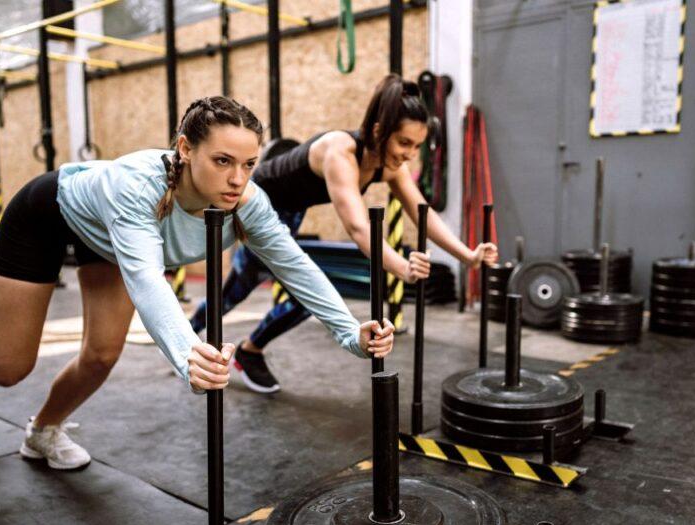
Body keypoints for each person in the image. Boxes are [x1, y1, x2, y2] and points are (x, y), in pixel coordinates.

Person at [0, 96, 394, 470]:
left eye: (249, 163)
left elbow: (293, 263)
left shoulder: (246, 199)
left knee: (100, 356)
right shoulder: (140, 187)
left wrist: (349, 331)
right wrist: (188, 355)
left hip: (107, 240)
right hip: (45, 217)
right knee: (9, 368)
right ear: (185, 149)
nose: (237, 178)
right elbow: (147, 279)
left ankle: (41, 432)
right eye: (222, 160)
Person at [190, 75, 497, 393]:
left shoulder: (390, 163)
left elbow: (423, 213)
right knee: (250, 288)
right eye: (404, 143)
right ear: (379, 132)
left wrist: (469, 255)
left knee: (275, 293)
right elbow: (358, 226)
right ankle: (203, 340)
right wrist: (402, 268)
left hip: (289, 214)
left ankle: (242, 348)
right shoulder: (340, 152)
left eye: (417, 146)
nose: (410, 154)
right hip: (257, 204)